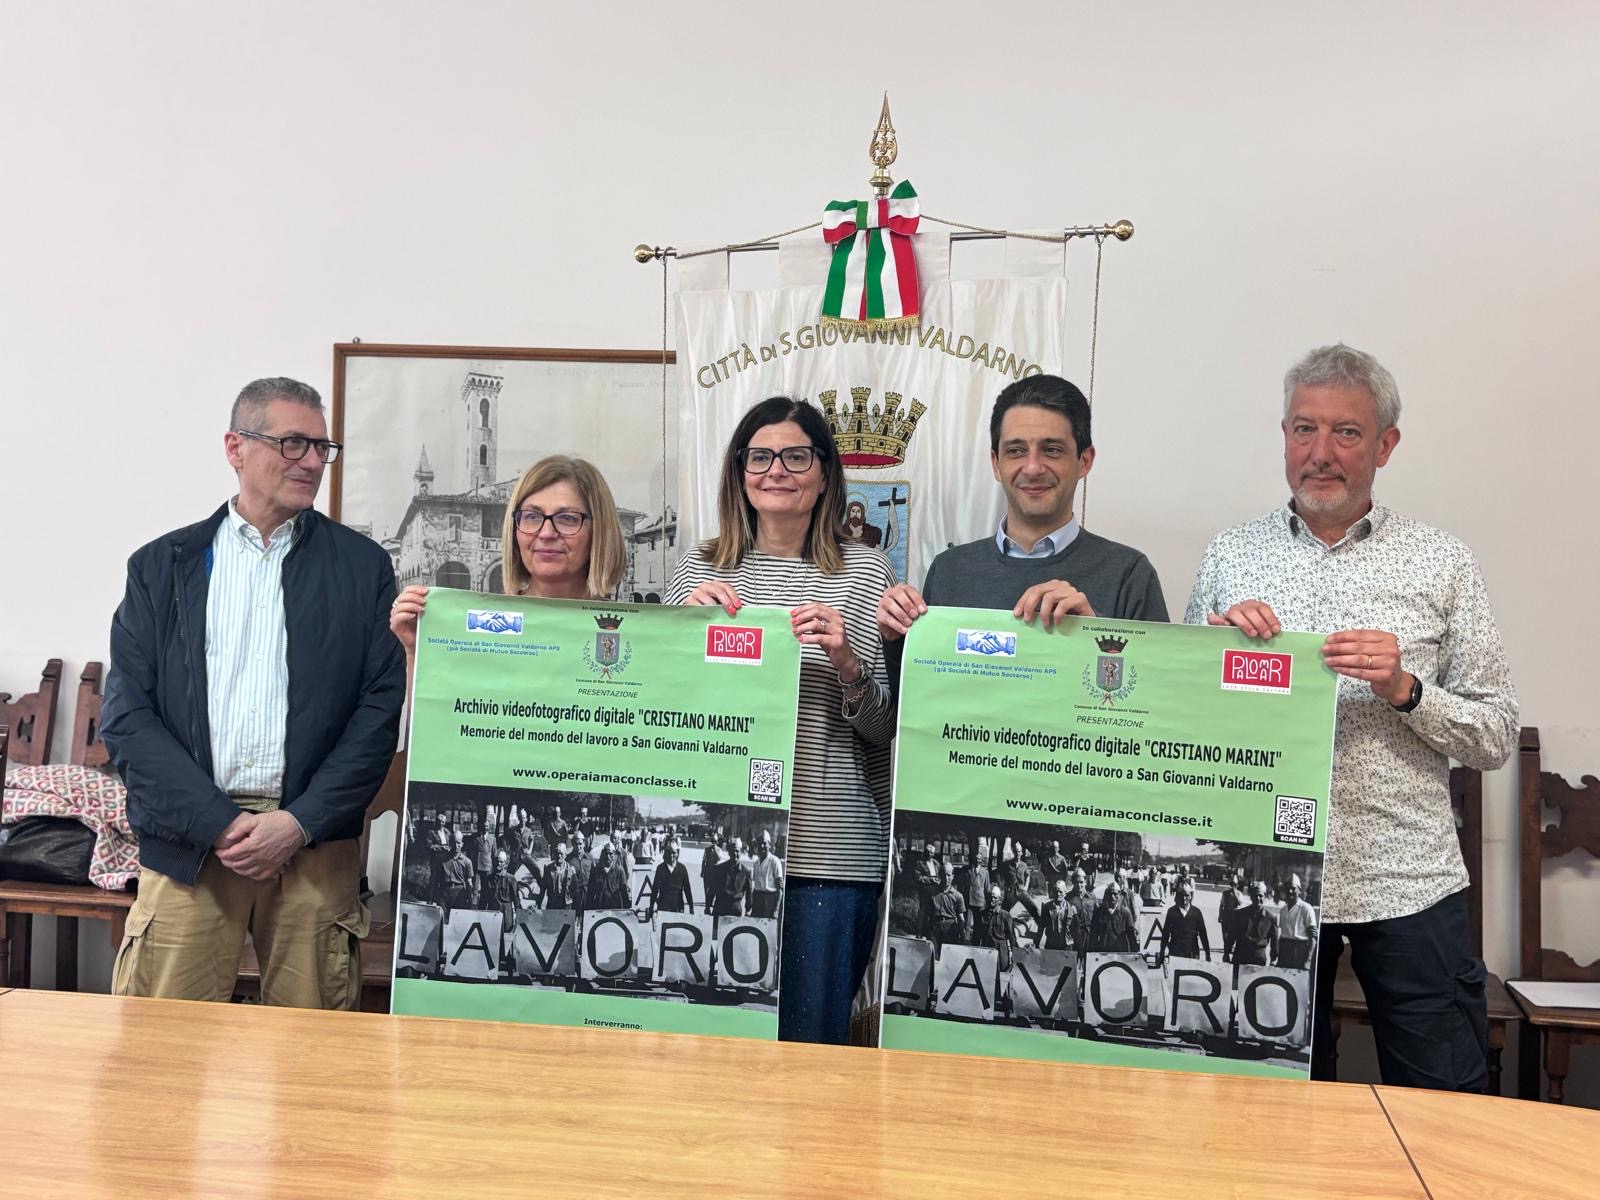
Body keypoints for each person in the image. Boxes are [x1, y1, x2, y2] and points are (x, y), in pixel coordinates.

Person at [1188, 343, 1516, 1092]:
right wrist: (1214, 662)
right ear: (1284, 436)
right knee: (1269, 1107)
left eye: (1346, 432)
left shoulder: (1442, 562)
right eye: (1304, 429)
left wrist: (1406, 688)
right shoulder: (1230, 556)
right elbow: (1188, 728)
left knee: (1442, 1105)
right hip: (1268, 879)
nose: (1321, 453)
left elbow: (1496, 733)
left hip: (1405, 879)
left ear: (1385, 445)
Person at [102, 377, 404, 1009]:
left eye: (322, 446)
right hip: (189, 846)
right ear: (234, 447)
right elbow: (129, 718)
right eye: (293, 442)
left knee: (313, 1056)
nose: (312, 461)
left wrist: (297, 824)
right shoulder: (162, 567)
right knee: (163, 1051)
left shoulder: (363, 568)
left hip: (314, 847)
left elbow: (376, 715)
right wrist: (218, 823)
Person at [668, 396, 896, 1044]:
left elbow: (883, 730)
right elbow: (664, 710)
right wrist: (682, 632)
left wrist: (847, 662)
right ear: (738, 472)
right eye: (760, 456)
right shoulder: (698, 570)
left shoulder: (865, 572)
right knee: (707, 1049)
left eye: (796, 456)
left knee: (811, 1055)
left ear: (824, 474)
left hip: (830, 857)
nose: (776, 470)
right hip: (728, 847)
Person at [876, 374, 1168, 671]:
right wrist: (898, 641)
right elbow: (925, 694)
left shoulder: (1129, 574)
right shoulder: (949, 571)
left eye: (1052, 450)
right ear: (996, 464)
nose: (1032, 468)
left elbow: (1160, 693)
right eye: (1016, 451)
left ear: (1084, 461)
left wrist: (1095, 632)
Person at [389, 454, 628, 669]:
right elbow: (443, 704)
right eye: (531, 516)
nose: (546, 533)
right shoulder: (485, 627)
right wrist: (417, 652)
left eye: (567, 518)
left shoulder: (630, 634)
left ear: (599, 531)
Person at [1159, 881, 1212, 962]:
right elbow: (1165, 933)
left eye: (1187, 895)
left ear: (1191, 896)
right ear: (1177, 896)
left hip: (1192, 952)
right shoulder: (1172, 912)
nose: (1184, 898)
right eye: (1181, 895)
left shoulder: (1196, 912)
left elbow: (1203, 934)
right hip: (1175, 952)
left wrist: (1207, 953)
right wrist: (1162, 951)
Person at [973, 884, 1019, 971]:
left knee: (1002, 975)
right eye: (990, 897)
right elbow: (977, 936)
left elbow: (1011, 937)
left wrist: (1015, 954)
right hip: (986, 950)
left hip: (1001, 952)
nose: (992, 899)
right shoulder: (982, 915)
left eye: (995, 898)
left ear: (1000, 900)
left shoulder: (1005, 916)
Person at [1233, 882, 1280, 967]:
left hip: (1259, 959)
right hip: (1240, 956)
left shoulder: (1270, 918)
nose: (1258, 898)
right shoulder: (1240, 914)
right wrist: (1226, 953)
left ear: (1265, 897)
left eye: (1260, 896)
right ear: (1251, 897)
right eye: (1255, 896)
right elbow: (1231, 936)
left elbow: (1274, 941)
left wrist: (1273, 959)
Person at [1277, 876, 1319, 970]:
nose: (1290, 891)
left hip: (1299, 952)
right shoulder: (1283, 910)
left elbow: (1313, 938)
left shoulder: (1306, 908)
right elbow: (1281, 934)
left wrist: (1308, 961)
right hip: (1284, 952)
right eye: (1287, 888)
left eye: (1293, 888)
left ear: (1299, 890)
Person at [648, 839, 694, 918]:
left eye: (674, 852)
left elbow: (687, 889)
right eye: (668, 852)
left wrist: (691, 907)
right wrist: (651, 906)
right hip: (663, 906)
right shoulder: (660, 868)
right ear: (665, 853)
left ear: (677, 853)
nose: (671, 855)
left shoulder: (682, 869)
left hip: (678, 906)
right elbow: (655, 889)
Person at [1088, 882, 1138, 953]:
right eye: (1110, 894)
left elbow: (1131, 937)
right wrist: (1092, 954)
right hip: (1103, 953)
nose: (1112, 897)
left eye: (1115, 894)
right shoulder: (1099, 912)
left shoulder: (1126, 913)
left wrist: (1134, 954)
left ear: (1119, 895)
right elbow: (1093, 936)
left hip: (1121, 953)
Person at [957, 839, 991, 941]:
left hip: (980, 902)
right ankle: (966, 941)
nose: (978, 861)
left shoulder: (985, 872)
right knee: (967, 923)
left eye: (979, 859)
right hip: (968, 901)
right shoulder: (967, 870)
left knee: (978, 924)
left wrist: (986, 903)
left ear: (982, 860)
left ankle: (976, 942)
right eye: (976, 859)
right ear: (973, 859)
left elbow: (987, 889)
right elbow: (961, 886)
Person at [712, 836, 754, 918]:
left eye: (737, 851)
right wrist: (708, 905)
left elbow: (749, 893)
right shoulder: (719, 869)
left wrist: (748, 909)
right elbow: (712, 888)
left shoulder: (746, 872)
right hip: (720, 907)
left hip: (735, 910)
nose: (735, 854)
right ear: (729, 852)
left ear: (741, 852)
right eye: (732, 851)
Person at [749, 830, 784, 918]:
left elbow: (780, 889)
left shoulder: (775, 861)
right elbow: (754, 886)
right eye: (760, 843)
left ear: (769, 845)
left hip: (769, 901)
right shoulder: (756, 863)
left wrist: (776, 910)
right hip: (757, 900)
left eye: (764, 843)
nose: (762, 846)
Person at [586, 844, 630, 911]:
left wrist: (626, 910)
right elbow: (590, 892)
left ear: (614, 855)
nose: (608, 856)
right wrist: (588, 910)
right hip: (599, 908)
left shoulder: (620, 871)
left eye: (610, 854)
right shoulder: (596, 870)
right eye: (605, 853)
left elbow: (624, 894)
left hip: (615, 908)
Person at [928, 873, 967, 947]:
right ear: (940, 876)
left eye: (949, 875)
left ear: (952, 876)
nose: (946, 878)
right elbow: (926, 911)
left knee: (948, 952)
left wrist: (962, 936)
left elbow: (960, 917)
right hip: (935, 926)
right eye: (944, 875)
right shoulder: (932, 893)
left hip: (950, 928)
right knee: (933, 952)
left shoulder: (958, 896)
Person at [1036, 880, 1077, 951]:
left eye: (1061, 892)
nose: (1058, 894)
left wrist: (1077, 946)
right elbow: (1041, 927)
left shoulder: (1071, 908)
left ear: (1065, 892)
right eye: (1056, 891)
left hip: (1066, 945)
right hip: (1051, 944)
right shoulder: (1047, 907)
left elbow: (1076, 930)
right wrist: (1037, 943)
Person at [1218, 868, 1249, 961]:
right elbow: (1222, 904)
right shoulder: (1225, 893)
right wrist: (1220, 915)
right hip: (1226, 915)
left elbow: (1240, 903)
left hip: (1235, 916)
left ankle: (1230, 948)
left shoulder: (1239, 893)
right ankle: (1226, 952)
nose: (1233, 886)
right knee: (1225, 935)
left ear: (1237, 885)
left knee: (1233, 934)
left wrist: (1235, 894)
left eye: (1234, 884)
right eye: (1232, 884)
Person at [542, 843, 576, 910]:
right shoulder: (548, 869)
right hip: (552, 903)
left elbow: (575, 889)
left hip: (566, 904)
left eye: (561, 854)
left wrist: (575, 906)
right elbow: (543, 888)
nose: (559, 856)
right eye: (557, 853)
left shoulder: (571, 869)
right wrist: (538, 903)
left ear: (565, 855)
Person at [569, 832, 594, 916]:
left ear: (584, 844)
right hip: (574, 895)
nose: (578, 847)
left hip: (588, 894)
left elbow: (595, 876)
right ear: (572, 844)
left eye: (580, 844)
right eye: (576, 844)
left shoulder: (590, 858)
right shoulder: (568, 859)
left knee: (588, 918)